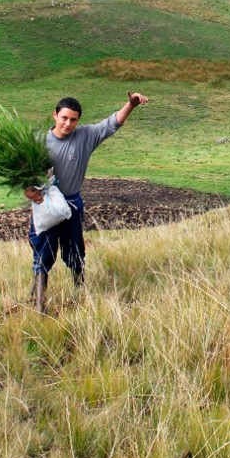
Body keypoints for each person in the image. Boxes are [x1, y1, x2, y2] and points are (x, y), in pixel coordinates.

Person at [24, 92, 149, 312]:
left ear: (78, 121)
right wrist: (27, 191)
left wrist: (130, 105)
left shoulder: (84, 136)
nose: (68, 124)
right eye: (64, 118)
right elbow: (20, 171)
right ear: (55, 115)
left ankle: (80, 296)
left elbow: (111, 124)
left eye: (73, 120)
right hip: (45, 204)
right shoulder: (37, 142)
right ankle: (38, 304)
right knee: (43, 252)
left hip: (72, 204)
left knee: (75, 251)